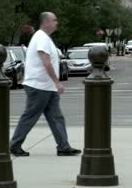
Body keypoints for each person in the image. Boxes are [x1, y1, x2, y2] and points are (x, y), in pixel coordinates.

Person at [10, 12, 81, 157]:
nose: (57, 23)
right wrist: (57, 82)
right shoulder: (41, 37)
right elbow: (46, 62)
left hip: (47, 87)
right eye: (54, 20)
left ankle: (63, 146)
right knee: (30, 116)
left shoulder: (45, 38)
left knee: (56, 117)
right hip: (38, 86)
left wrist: (54, 85)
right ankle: (14, 145)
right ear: (46, 22)